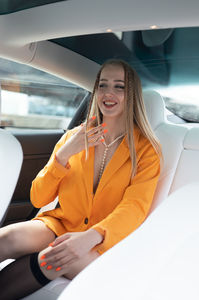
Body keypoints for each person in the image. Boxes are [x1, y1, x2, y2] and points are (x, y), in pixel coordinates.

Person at [0, 59, 162, 299]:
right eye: (103, 85)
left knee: (54, 258)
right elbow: (38, 196)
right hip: (61, 224)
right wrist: (63, 156)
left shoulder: (146, 151)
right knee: (6, 238)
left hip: (105, 241)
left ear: (132, 95)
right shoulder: (75, 137)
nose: (109, 93)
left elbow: (134, 208)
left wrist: (91, 236)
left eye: (119, 87)